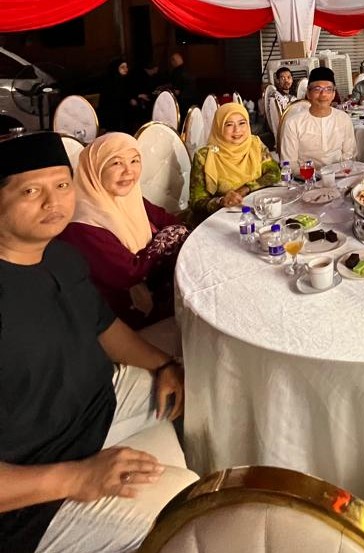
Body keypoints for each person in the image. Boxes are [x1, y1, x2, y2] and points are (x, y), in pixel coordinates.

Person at [0, 131, 193, 553]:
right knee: (190, 510)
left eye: (62, 185)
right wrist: (75, 477)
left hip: (97, 408)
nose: (53, 202)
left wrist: (163, 364)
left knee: (204, 385)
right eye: (31, 191)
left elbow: (104, 327)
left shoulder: (59, 256)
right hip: (33, 494)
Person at [58, 133, 189, 330]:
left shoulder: (130, 198)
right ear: (95, 169)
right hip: (119, 322)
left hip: (160, 293)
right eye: (116, 163)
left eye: (135, 161)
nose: (129, 171)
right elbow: (129, 272)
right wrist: (169, 238)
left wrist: (173, 232)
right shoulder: (81, 225)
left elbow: (170, 221)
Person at [189, 102, 280, 225]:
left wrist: (246, 188)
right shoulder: (204, 156)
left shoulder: (255, 144)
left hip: (257, 212)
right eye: (229, 124)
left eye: (242, 123)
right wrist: (221, 201)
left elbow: (274, 173)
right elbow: (196, 202)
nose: (237, 130)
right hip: (223, 220)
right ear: (219, 127)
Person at [279, 67, 357, 171]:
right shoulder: (293, 123)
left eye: (328, 89)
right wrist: (314, 175)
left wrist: (337, 173)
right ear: (308, 93)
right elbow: (289, 163)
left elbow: (350, 155)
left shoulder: (344, 119)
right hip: (305, 178)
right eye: (317, 89)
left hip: (339, 176)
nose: (323, 94)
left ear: (333, 94)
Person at [97, 58, 138, 133]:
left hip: (126, 118)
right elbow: (105, 105)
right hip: (113, 119)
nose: (126, 69)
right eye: (122, 67)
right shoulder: (109, 84)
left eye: (126, 67)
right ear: (115, 69)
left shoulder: (127, 80)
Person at [169, 52, 197, 122]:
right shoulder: (189, 69)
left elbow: (177, 91)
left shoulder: (176, 72)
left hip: (182, 101)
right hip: (193, 99)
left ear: (174, 61)